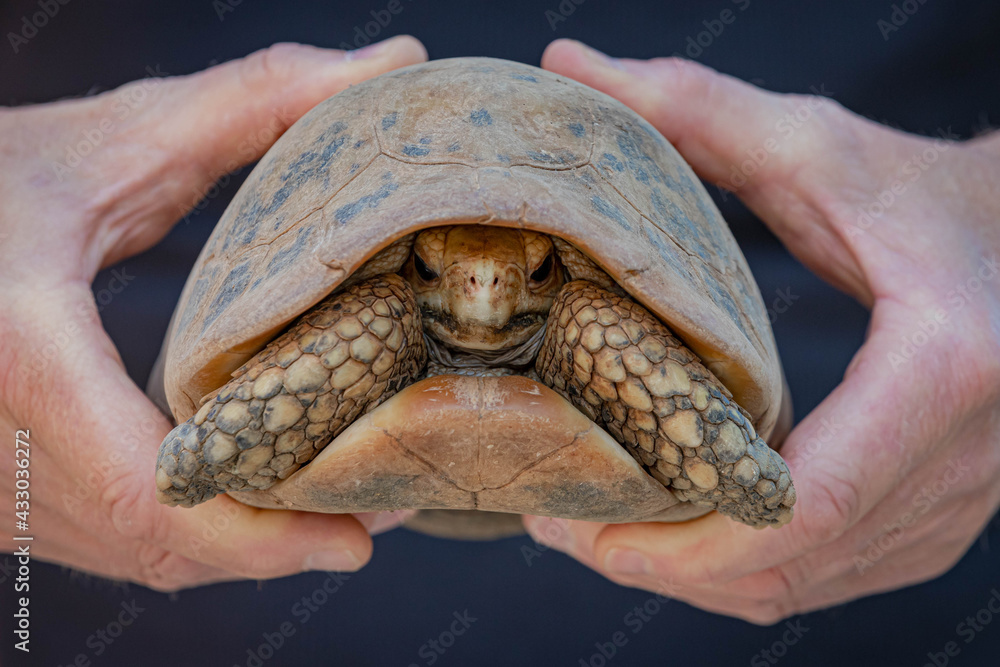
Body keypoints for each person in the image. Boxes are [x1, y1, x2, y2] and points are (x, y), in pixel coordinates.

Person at [1, 35, 996, 624]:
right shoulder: (369, 310)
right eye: (441, 267)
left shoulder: (593, 321)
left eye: (524, 271)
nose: (480, 289)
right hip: (69, 399)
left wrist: (982, 213)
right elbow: (197, 448)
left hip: (899, 400)